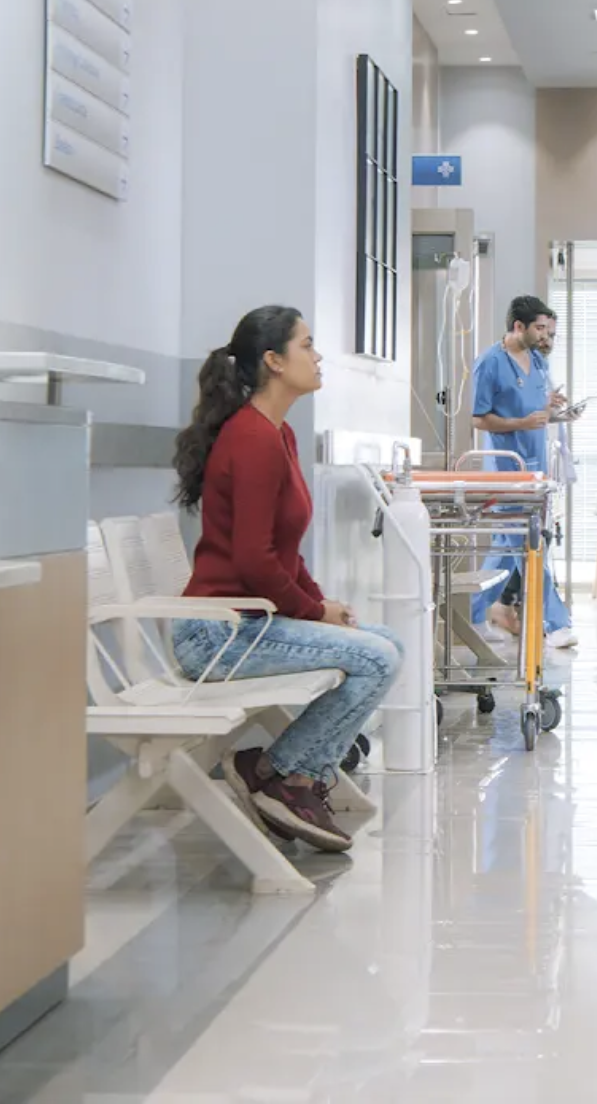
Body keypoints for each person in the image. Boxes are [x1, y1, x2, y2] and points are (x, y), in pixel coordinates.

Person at [170, 306, 405, 855]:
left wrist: (319, 602)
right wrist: (312, 611)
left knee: (386, 645)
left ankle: (291, 779)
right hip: (217, 634)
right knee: (377, 657)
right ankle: (280, 774)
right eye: (307, 345)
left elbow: (282, 549)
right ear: (274, 362)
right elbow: (253, 560)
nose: (318, 355)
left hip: (247, 623)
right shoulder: (250, 439)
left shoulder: (279, 435)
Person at [469, 294, 579, 651]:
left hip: (536, 468)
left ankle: (472, 618)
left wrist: (559, 413)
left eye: (550, 330)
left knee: (505, 547)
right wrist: (520, 421)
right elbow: (478, 417)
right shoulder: (490, 362)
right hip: (507, 468)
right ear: (519, 326)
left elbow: (538, 412)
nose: (546, 337)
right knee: (530, 546)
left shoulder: (537, 361)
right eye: (541, 329)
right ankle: (556, 623)